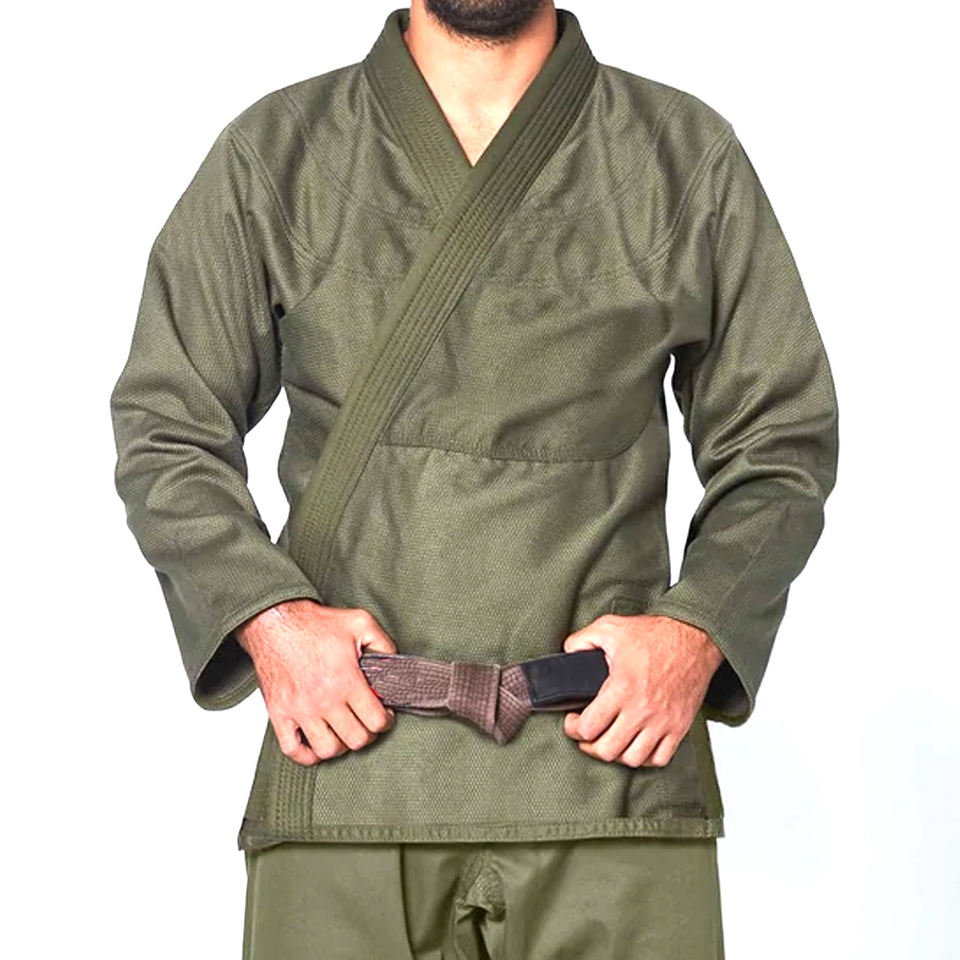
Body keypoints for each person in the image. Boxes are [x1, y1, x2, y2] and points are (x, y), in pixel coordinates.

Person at [109, 1, 839, 956]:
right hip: (349, 768)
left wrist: (695, 632)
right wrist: (269, 621)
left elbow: (781, 440)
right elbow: (165, 427)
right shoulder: (277, 153)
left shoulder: (681, 154)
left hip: (612, 776)